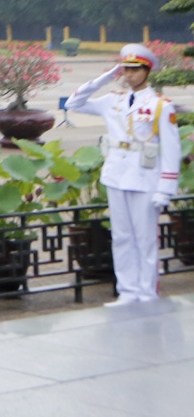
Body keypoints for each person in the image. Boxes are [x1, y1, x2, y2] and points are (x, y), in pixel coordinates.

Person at [67, 45, 181, 306]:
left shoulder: (160, 106)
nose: (129, 75)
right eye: (126, 69)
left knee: (145, 238)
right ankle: (128, 291)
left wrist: (166, 188)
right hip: (117, 175)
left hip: (145, 177)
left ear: (147, 71)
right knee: (121, 237)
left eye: (135, 70)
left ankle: (147, 291)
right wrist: (105, 77)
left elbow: (172, 149)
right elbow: (74, 103)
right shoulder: (113, 100)